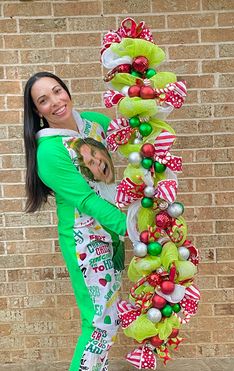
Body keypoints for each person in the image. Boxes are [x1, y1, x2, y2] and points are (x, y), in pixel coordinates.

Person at [23, 71, 127, 371]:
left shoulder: (93, 123)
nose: (55, 101)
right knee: (99, 323)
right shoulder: (50, 151)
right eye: (44, 100)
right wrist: (132, 228)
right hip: (86, 243)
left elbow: (132, 138)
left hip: (111, 236)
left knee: (109, 321)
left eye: (57, 91)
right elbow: (86, 201)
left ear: (66, 90)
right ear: (37, 111)